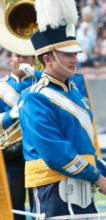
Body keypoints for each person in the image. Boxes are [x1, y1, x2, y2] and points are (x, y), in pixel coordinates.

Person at [19, 0, 106, 217]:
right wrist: (97, 178)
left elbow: (84, 148)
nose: (75, 59)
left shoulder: (73, 92)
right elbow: (56, 152)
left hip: (80, 187)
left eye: (75, 54)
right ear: (48, 58)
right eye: (68, 54)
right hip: (52, 191)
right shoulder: (35, 97)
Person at [0, 53, 40, 220]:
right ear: (11, 58)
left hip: (38, 152)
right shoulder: (1, 86)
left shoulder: (41, 82)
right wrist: (12, 113)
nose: (22, 60)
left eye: (27, 57)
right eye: (18, 56)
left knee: (40, 204)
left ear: (34, 60)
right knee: (14, 204)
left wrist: (36, 75)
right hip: (11, 152)